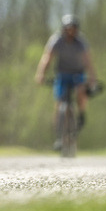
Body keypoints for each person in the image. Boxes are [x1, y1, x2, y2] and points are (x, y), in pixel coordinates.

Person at [35, 14, 98, 150]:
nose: (70, 32)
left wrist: (92, 77)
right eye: (67, 29)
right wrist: (41, 74)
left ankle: (81, 114)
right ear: (63, 29)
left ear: (76, 30)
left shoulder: (81, 42)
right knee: (59, 104)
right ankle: (59, 136)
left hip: (77, 74)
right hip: (62, 74)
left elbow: (88, 61)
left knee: (81, 91)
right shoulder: (56, 40)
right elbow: (47, 58)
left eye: (73, 29)